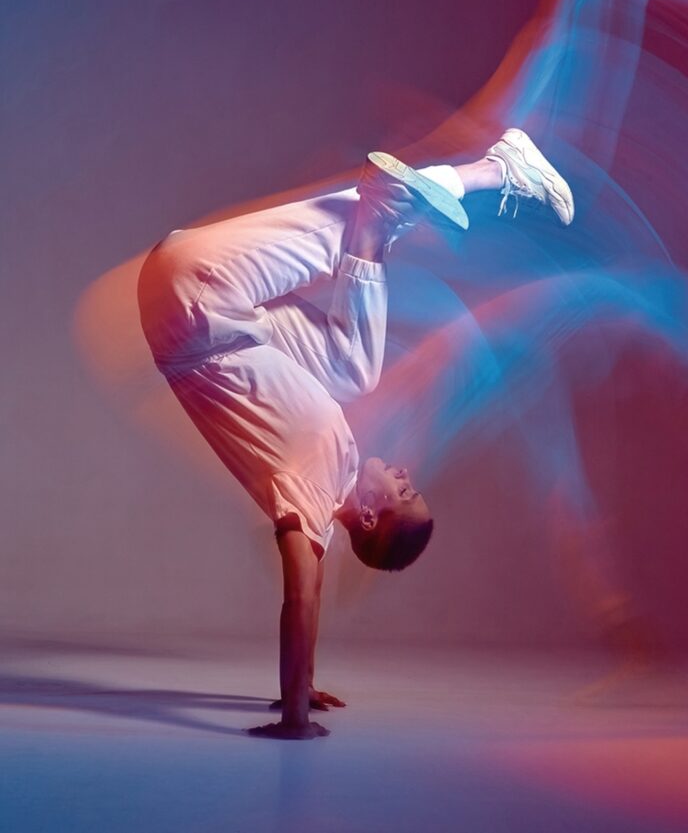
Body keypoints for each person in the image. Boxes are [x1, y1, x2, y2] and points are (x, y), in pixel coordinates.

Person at [137, 130, 574, 739]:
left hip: (199, 306)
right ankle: (404, 212)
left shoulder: (312, 495)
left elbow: (303, 601)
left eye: (404, 492)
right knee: (355, 366)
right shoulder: (332, 464)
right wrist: (305, 682)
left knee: (358, 223)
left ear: (369, 517)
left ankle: (490, 174)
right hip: (213, 317)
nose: (405, 475)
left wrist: (293, 715)